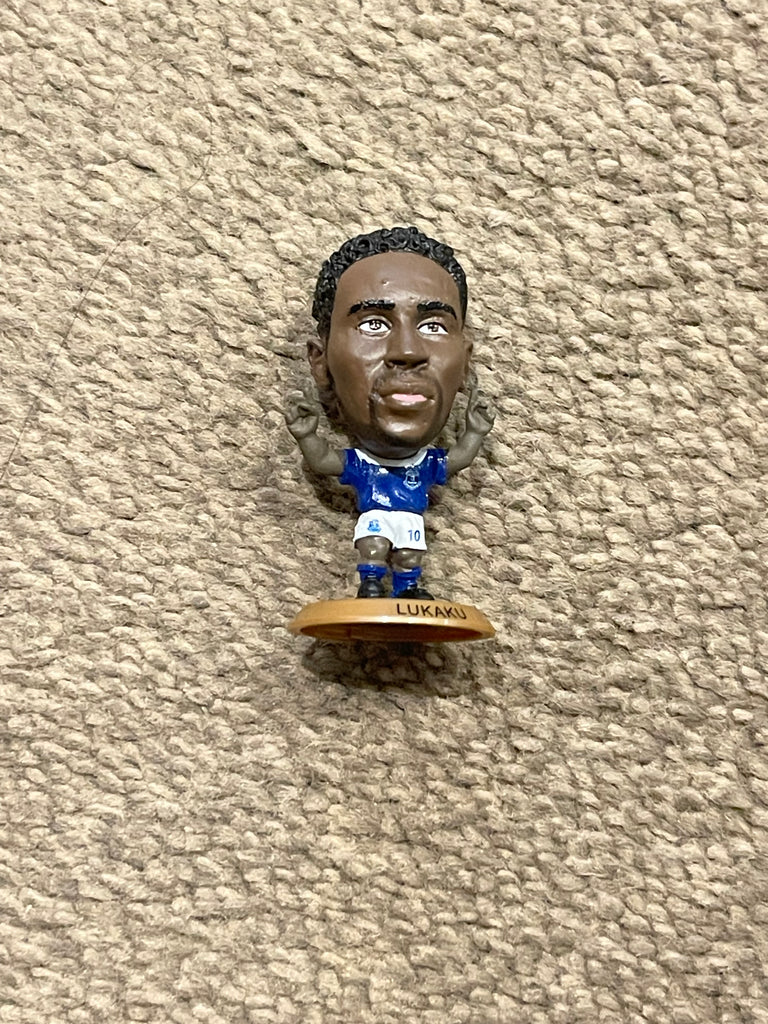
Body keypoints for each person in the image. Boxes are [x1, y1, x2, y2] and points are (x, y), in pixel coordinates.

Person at [285, 226, 495, 599]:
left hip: (409, 523)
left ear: (464, 364)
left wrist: (475, 431)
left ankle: (407, 587)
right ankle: (371, 582)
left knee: (410, 554)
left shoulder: (427, 464)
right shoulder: (361, 466)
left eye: (433, 326)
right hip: (377, 520)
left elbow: (458, 458)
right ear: (320, 361)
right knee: (374, 547)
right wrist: (305, 435)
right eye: (374, 324)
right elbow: (324, 461)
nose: (407, 352)